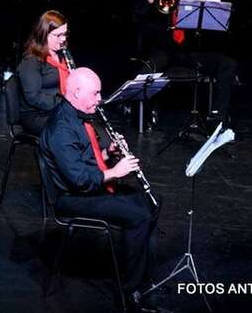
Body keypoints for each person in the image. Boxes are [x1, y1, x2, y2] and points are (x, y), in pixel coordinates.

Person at [39, 67, 161, 311]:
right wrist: (115, 172)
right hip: (72, 198)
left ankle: (140, 273)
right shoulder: (61, 128)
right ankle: (130, 290)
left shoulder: (78, 116)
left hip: (86, 188)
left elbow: (84, 160)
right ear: (76, 93)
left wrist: (108, 153)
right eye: (95, 94)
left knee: (151, 202)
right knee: (138, 216)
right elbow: (79, 180)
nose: (99, 99)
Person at [134, 0, 238, 125]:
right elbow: (136, 17)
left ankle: (217, 119)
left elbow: (216, 25)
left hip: (192, 51)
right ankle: (142, 116)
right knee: (146, 72)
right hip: (163, 50)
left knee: (228, 64)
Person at [15, 10, 72, 135]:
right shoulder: (31, 61)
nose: (63, 39)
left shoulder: (62, 55)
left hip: (57, 110)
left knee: (86, 127)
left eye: (65, 34)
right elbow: (33, 97)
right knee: (71, 131)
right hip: (36, 115)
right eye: (58, 35)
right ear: (43, 34)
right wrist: (65, 104)